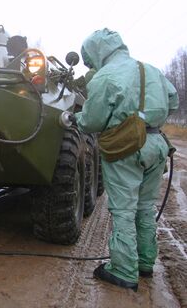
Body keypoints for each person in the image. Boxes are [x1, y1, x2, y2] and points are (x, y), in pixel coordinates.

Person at [74, 28, 178, 291]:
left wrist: (74, 119)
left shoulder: (104, 77)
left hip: (126, 146)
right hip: (156, 143)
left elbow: (91, 121)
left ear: (98, 52)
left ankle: (123, 270)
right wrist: (147, 113)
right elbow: (174, 99)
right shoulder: (150, 69)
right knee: (145, 207)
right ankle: (145, 263)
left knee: (123, 209)